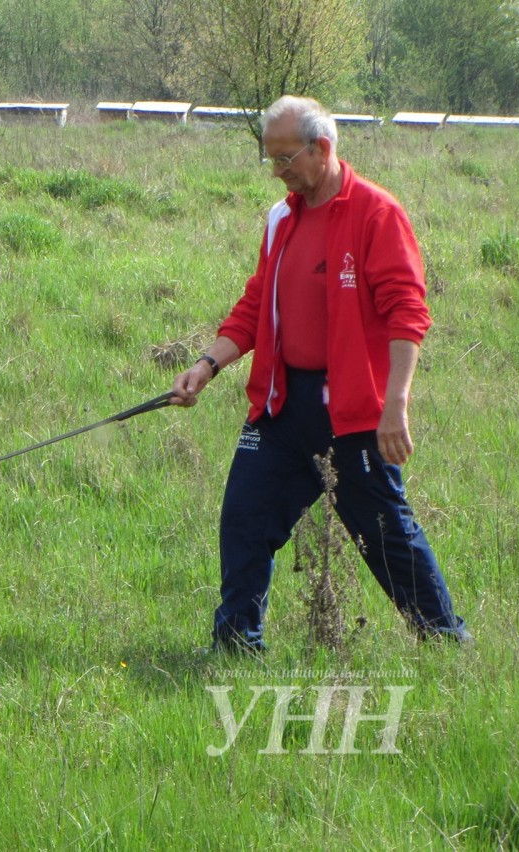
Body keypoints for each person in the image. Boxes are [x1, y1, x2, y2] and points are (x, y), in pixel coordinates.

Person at [171, 95, 470, 652]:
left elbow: (409, 314)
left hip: (355, 409)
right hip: (284, 404)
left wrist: (394, 405)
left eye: (286, 158)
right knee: (244, 519)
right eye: (272, 159)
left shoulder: (377, 215)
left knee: (385, 536)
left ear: (323, 147)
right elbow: (256, 305)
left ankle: (445, 644)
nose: (278, 171)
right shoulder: (282, 218)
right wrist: (207, 365)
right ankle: (237, 644)